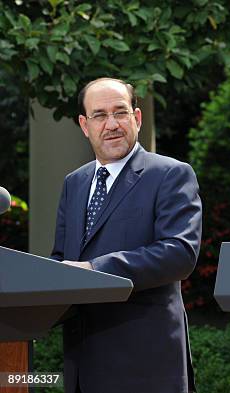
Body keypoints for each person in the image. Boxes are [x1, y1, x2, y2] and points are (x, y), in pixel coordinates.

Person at [51, 77, 203, 393]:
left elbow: (179, 253)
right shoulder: (74, 183)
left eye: (120, 112)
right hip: (82, 366)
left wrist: (95, 271)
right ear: (84, 125)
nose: (111, 124)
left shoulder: (170, 174)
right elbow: (60, 261)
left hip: (146, 367)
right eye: (99, 115)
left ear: (136, 117)